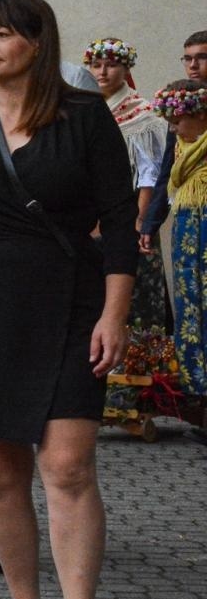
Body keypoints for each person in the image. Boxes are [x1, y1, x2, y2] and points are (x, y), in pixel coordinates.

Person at [0, 0, 136, 599]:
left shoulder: (85, 116)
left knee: (67, 466)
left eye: (2, 33)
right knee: (0, 471)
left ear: (36, 41)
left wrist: (114, 315)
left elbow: (120, 222)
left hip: (72, 304)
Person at [84, 38, 171, 332]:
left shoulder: (140, 113)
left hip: (131, 210)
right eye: (97, 65)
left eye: (111, 65)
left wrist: (140, 219)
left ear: (126, 68)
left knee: (137, 285)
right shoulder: (89, 108)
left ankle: (141, 362)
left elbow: (149, 175)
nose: (103, 72)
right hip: (95, 214)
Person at [151, 79, 207, 405]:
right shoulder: (179, 148)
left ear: (201, 114)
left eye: (179, 117)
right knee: (189, 304)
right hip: (187, 232)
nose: (173, 125)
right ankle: (195, 388)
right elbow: (165, 183)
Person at [139, 30, 207, 260]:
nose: (193, 65)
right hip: (189, 217)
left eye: (201, 57)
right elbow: (168, 170)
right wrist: (150, 223)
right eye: (188, 58)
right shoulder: (179, 107)